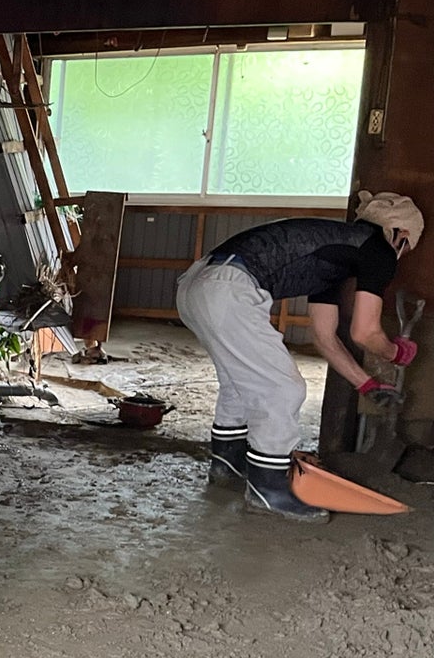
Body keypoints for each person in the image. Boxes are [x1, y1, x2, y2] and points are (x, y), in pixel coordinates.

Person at [174, 192, 423, 522]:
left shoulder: (337, 251)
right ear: (401, 235)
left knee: (239, 382)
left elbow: (324, 337)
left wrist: (366, 384)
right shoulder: (379, 249)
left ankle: (228, 465)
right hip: (230, 287)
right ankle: (269, 489)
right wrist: (396, 352)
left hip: (196, 284)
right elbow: (365, 333)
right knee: (282, 389)